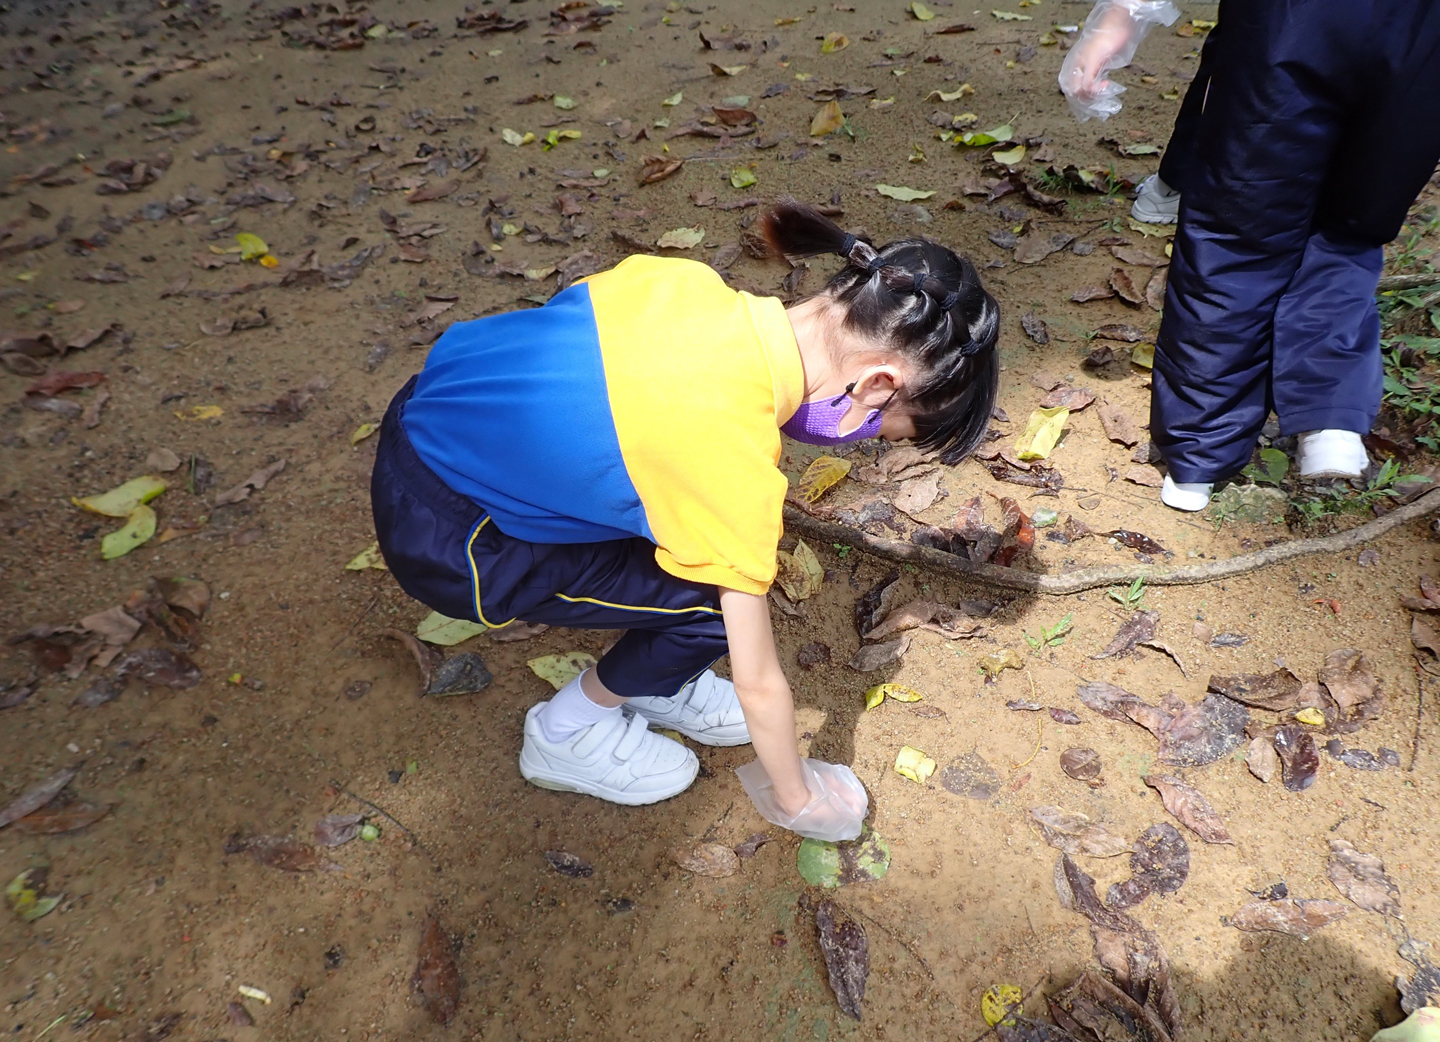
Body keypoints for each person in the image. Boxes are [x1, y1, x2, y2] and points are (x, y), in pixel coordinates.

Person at [369, 201, 1001, 839]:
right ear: (875, 385)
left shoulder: (681, 283)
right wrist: (798, 797)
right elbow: (758, 682)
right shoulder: (730, 463)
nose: (868, 439)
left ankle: (655, 680)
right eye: (887, 430)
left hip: (427, 420)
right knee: (707, 607)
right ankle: (566, 732)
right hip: (455, 539)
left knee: (674, 527)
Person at [1061, 0, 1440, 511]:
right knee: (1349, 229)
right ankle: (1330, 416)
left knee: (1235, 238)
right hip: (1423, 41)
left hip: (1291, 25)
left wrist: (1122, 16)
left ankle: (1197, 461)